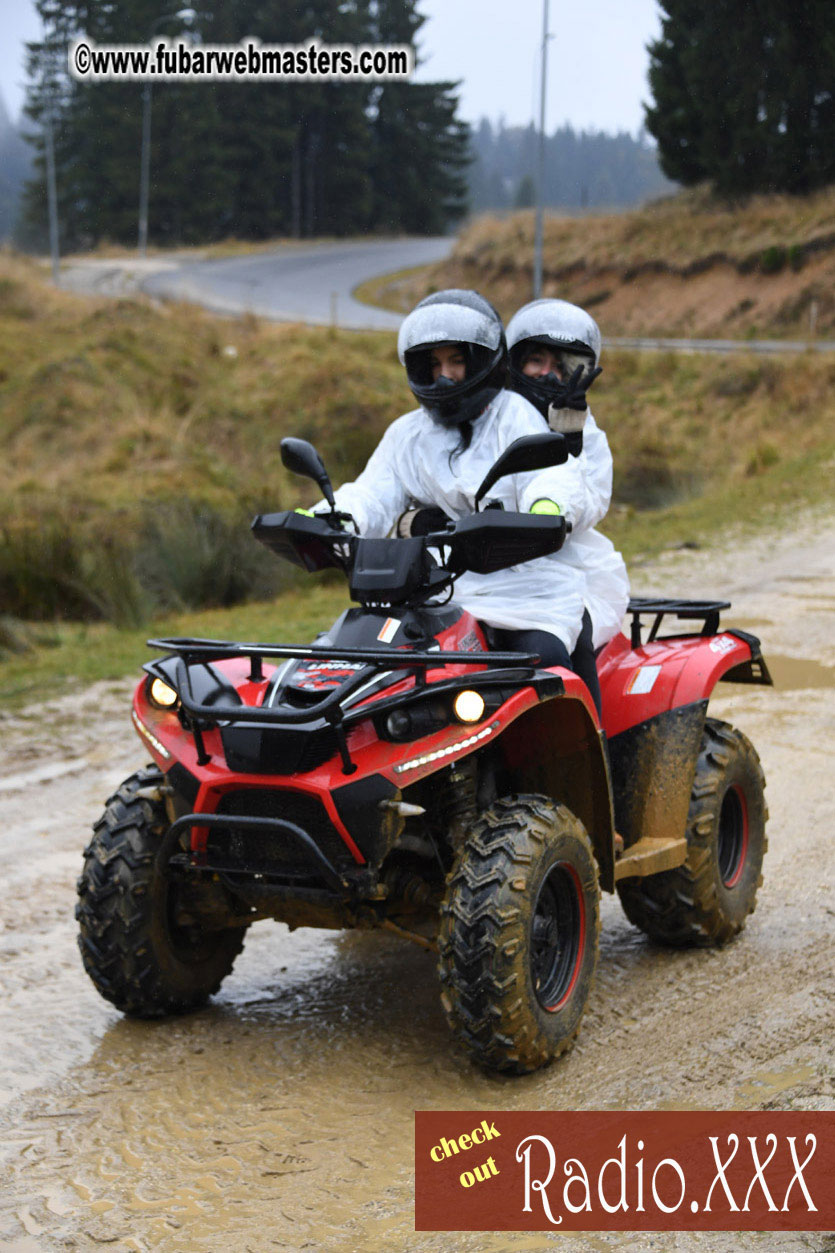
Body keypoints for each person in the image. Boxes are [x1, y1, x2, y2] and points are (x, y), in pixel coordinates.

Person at [316, 289, 610, 679]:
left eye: (457, 360)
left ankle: (588, 739)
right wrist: (332, 518)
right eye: (434, 363)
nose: (446, 375)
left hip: (527, 590)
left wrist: (547, 510)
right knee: (368, 666)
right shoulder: (407, 433)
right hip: (437, 589)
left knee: (547, 661)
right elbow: (373, 491)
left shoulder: (515, 416)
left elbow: (551, 476)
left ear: (481, 362)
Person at [505, 298, 630, 710]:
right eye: (536, 360)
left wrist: (569, 439)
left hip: (564, 561)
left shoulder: (585, 428)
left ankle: (588, 746)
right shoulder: (491, 418)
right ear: (515, 361)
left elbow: (593, 501)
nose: (547, 373)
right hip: (485, 562)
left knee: (571, 627)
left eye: (559, 366)